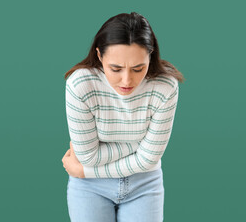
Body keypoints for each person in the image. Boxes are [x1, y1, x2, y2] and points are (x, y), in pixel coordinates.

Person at [61, 12, 184, 222]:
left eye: (138, 68)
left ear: (151, 56)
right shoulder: (80, 85)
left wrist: (86, 171)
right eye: (115, 68)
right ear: (99, 55)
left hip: (143, 183)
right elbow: (88, 156)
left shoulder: (165, 87)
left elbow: (149, 160)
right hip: (90, 188)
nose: (127, 80)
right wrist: (141, 145)